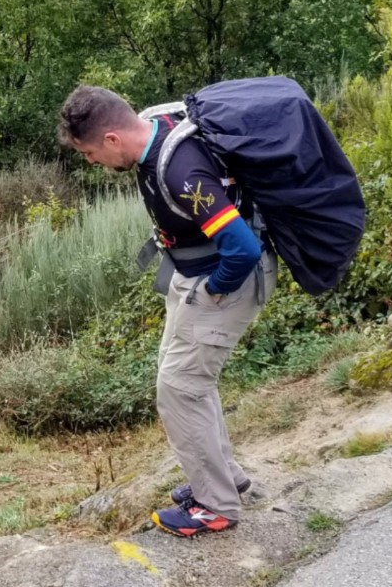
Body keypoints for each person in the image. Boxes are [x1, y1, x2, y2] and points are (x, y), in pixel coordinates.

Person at [57, 84, 276, 537]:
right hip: (191, 271)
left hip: (221, 280)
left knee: (180, 387)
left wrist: (214, 291)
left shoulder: (180, 170)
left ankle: (215, 505)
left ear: (113, 138)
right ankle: (224, 477)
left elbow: (242, 247)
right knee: (187, 381)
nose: (91, 161)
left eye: (91, 152)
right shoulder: (159, 129)